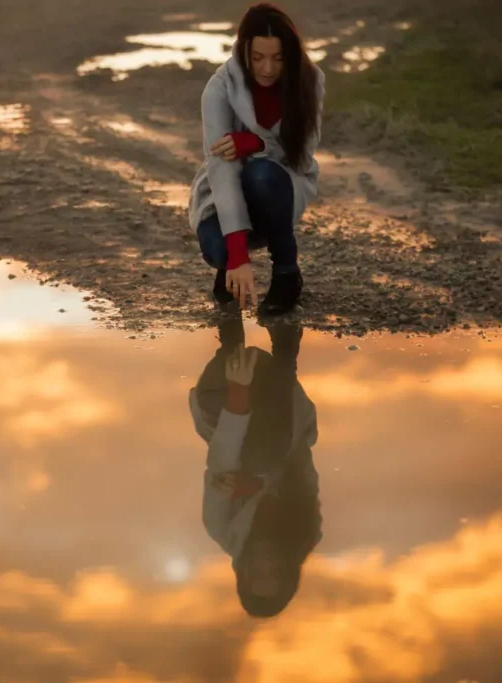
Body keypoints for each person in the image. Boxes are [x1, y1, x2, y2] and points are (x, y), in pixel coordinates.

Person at [188, 3, 325, 315]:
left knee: (261, 174)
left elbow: (301, 157)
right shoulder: (219, 88)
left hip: (278, 184)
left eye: (278, 58)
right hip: (223, 191)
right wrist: (237, 257)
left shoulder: (309, 82)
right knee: (219, 251)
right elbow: (221, 168)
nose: (267, 68)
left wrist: (255, 143)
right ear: (243, 52)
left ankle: (287, 274)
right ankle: (229, 270)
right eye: (258, 57)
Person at [188, 319, 322, 618]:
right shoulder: (303, 534)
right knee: (266, 458)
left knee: (257, 459)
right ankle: (285, 339)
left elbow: (222, 459)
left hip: (223, 401)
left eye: (257, 576)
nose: (266, 566)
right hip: (279, 405)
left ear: (244, 575)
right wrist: (255, 484)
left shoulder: (220, 527)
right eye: (275, 575)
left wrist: (239, 388)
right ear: (288, 573)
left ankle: (230, 328)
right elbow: (299, 463)